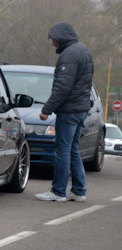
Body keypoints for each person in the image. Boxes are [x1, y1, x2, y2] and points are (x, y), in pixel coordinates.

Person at [35, 22, 94, 203]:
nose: (52, 43)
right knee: (72, 149)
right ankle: (78, 191)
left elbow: (63, 87)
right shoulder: (83, 50)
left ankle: (58, 192)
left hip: (69, 111)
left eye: (53, 39)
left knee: (62, 150)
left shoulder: (69, 55)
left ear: (61, 37)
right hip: (81, 108)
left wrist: (47, 109)